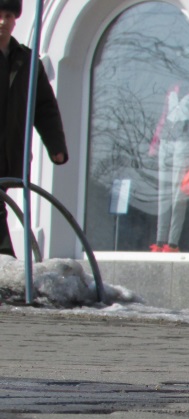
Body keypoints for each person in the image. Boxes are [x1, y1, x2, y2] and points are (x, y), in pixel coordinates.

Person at [0, 0, 68, 257]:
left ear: (15, 20)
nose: (3, 21)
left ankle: (6, 271)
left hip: (9, 152)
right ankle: (6, 264)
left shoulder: (28, 62)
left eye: (8, 15)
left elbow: (45, 107)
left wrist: (56, 146)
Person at [149, 83, 189, 253]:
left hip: (185, 141)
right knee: (164, 193)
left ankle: (172, 242)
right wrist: (155, 143)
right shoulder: (172, 89)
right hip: (166, 141)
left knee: (178, 194)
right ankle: (159, 240)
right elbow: (164, 116)